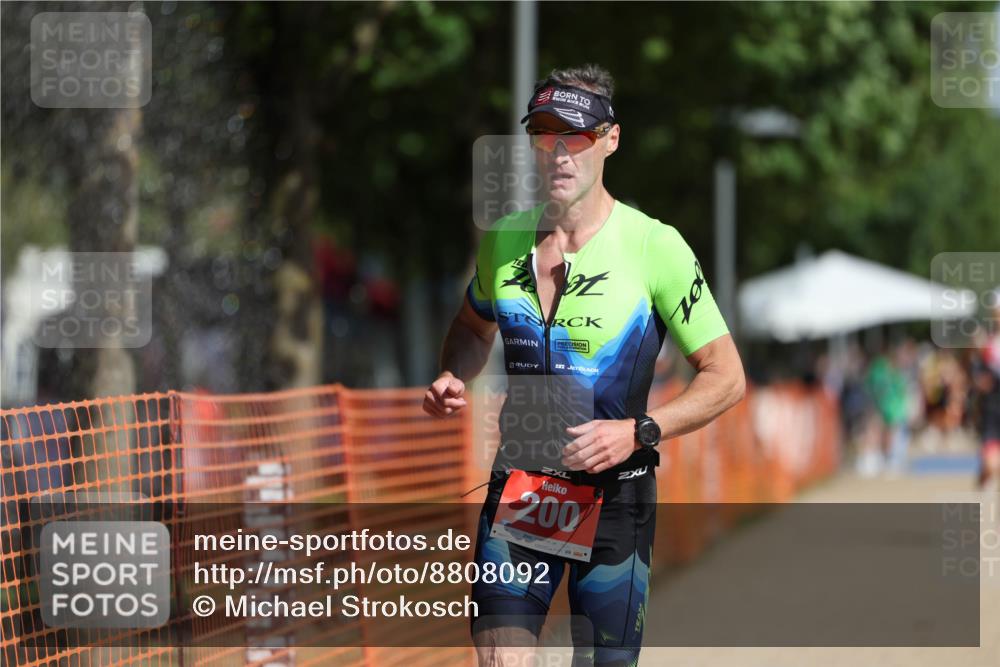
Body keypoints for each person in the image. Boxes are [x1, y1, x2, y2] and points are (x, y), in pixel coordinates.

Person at [423, 64, 745, 667]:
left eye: (575, 136)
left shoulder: (655, 246)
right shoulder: (504, 239)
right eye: (545, 137)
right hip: (524, 488)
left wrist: (639, 431)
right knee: (499, 658)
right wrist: (452, 375)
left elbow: (726, 376)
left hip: (615, 499)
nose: (559, 153)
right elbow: (471, 327)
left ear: (610, 141)